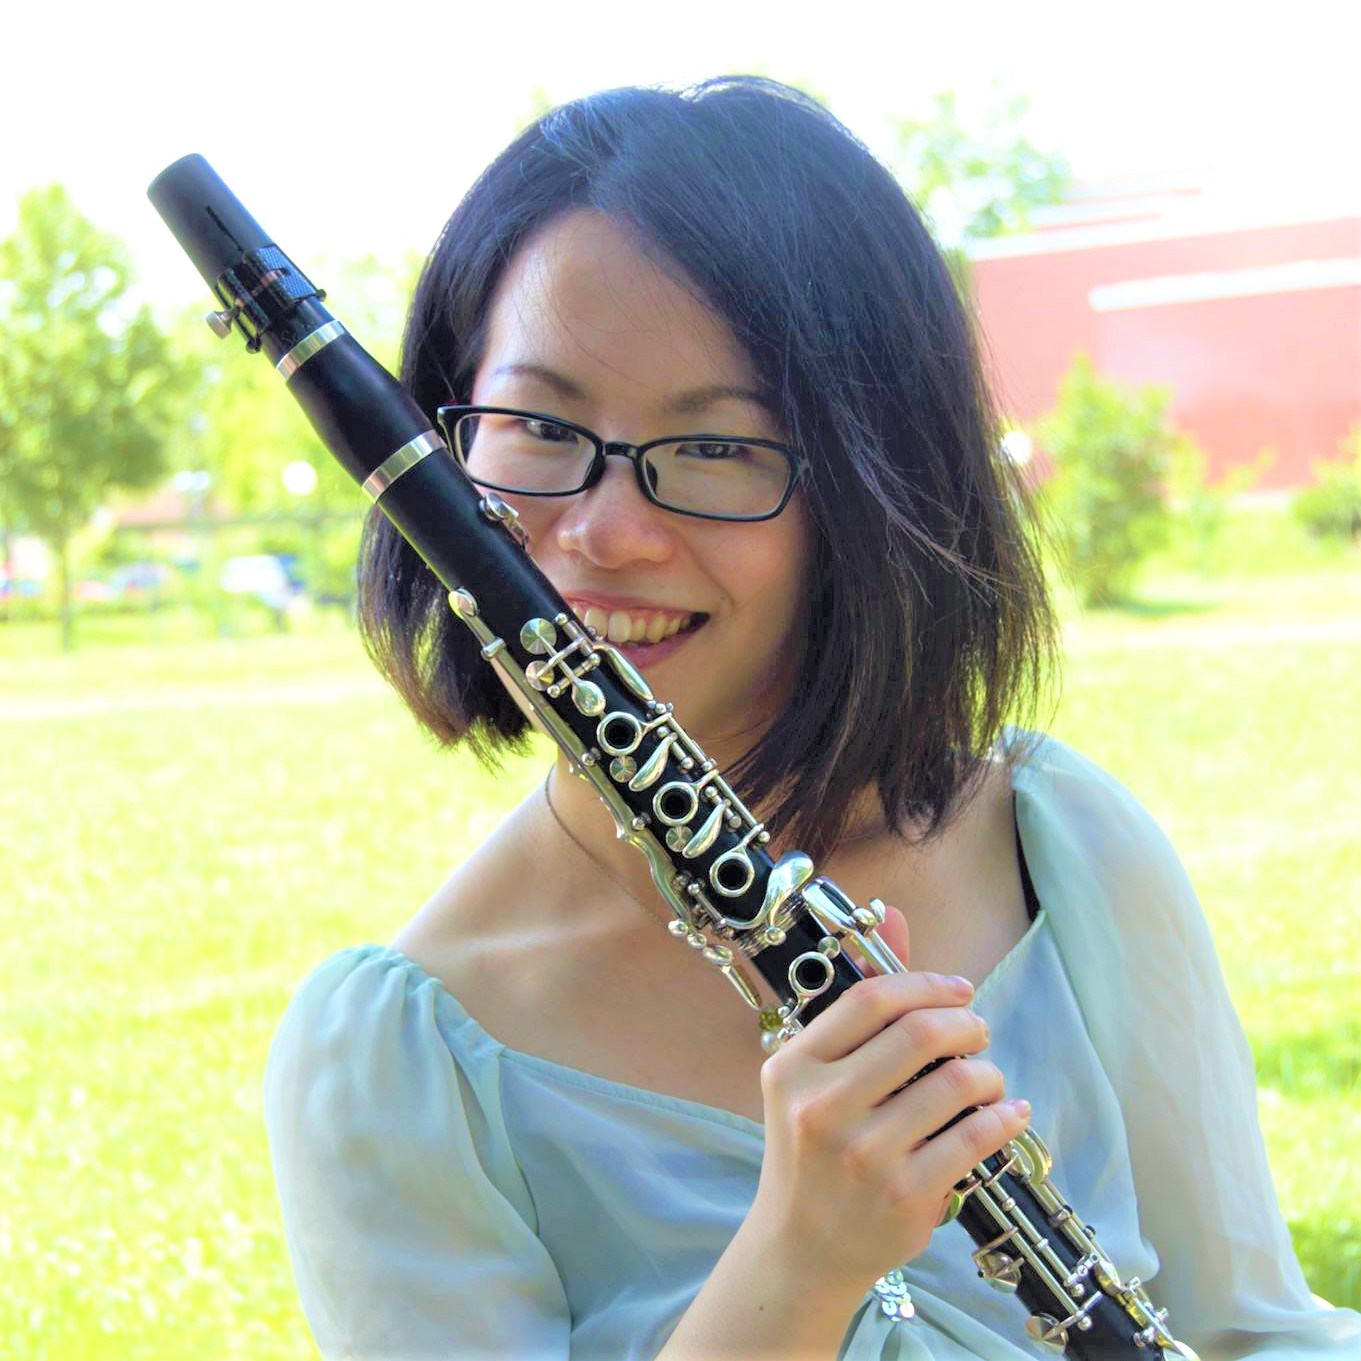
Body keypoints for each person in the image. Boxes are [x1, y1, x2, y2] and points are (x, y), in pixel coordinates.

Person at [262, 78, 1359, 1360]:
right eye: (537, 426)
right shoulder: (395, 1060)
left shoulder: (1055, 847)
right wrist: (801, 1257)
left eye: (716, 447)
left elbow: (1253, 1329)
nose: (603, 532)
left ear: (872, 486)